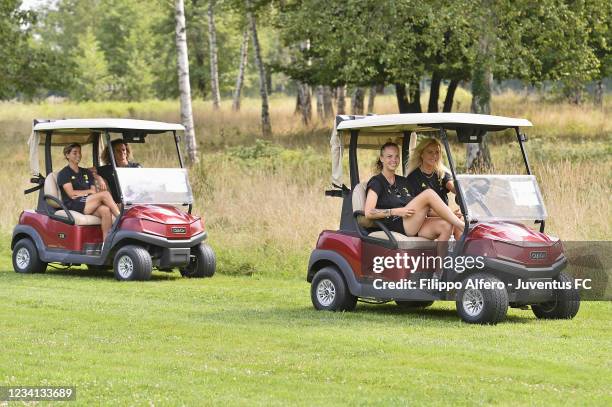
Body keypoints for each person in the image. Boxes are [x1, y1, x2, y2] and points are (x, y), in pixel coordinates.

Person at [364, 142, 464, 243]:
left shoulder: (403, 181)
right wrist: (394, 211)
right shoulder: (377, 182)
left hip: (412, 222)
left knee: (446, 226)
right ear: (381, 158)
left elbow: (425, 209)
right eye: (389, 156)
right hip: (395, 224)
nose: (394, 160)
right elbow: (369, 212)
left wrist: (450, 214)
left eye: (397, 156)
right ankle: (462, 226)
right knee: (429, 193)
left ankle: (442, 259)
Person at [57, 143, 121, 241]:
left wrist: (93, 184)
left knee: (105, 210)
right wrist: (88, 192)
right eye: (75, 153)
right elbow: (71, 194)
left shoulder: (86, 172)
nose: (78, 155)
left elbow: (93, 191)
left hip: (87, 202)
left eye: (79, 152)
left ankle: (106, 244)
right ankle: (121, 219)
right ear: (67, 155)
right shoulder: (64, 173)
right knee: (105, 194)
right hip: (74, 204)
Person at [406, 137, 462, 239]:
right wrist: (450, 215)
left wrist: (462, 191)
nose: (434, 156)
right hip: (423, 221)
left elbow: (451, 186)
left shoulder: (440, 172)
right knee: (446, 225)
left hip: (444, 216)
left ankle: (462, 254)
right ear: (422, 154)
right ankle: (442, 256)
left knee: (463, 222)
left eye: (437, 152)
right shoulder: (413, 178)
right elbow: (426, 211)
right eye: (430, 152)